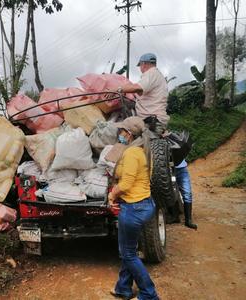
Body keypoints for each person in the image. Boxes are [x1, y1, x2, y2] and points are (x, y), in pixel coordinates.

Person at [108, 116, 159, 300]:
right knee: (129, 249)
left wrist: (112, 194)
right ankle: (123, 288)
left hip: (133, 208)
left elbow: (127, 184)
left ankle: (149, 294)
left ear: (128, 134)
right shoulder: (144, 151)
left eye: (122, 130)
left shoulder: (130, 153)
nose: (119, 134)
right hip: (146, 204)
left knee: (128, 254)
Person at [113, 53, 169, 134]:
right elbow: (140, 93)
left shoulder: (151, 73)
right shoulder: (158, 76)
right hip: (156, 119)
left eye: (140, 66)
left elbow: (138, 87)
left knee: (116, 128)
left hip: (151, 121)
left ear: (143, 64)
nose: (140, 69)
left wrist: (118, 89)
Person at [175, 160, 197, 230]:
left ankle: (188, 220)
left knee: (187, 193)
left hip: (182, 168)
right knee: (172, 192)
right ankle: (174, 216)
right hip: (167, 169)